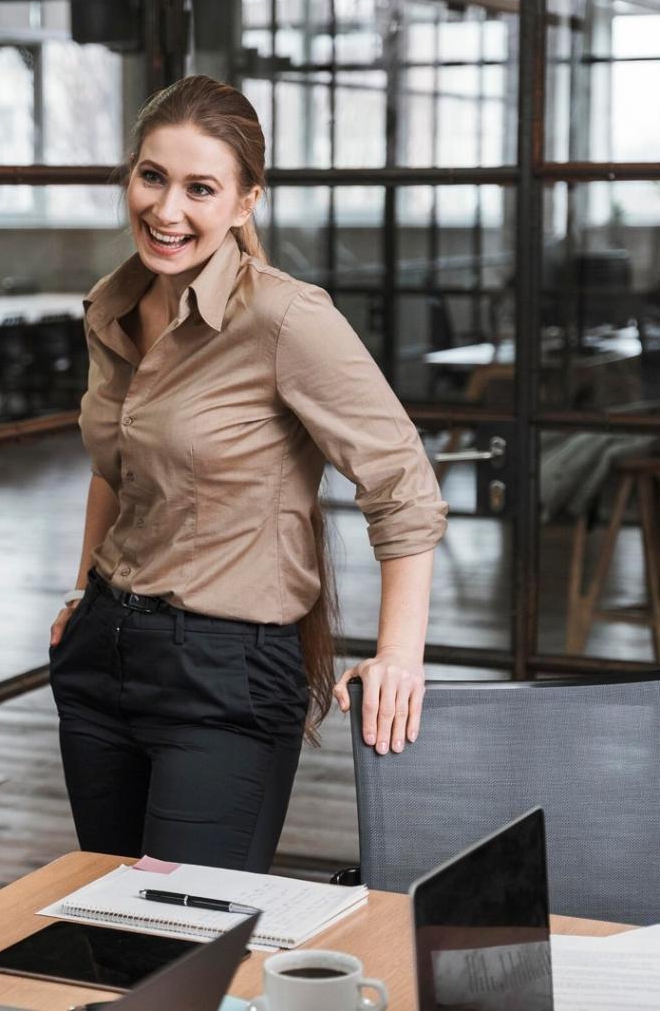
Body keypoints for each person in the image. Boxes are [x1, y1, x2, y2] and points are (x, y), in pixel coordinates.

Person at [48, 76, 447, 872]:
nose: (166, 211)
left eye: (200, 188)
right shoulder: (110, 306)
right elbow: (115, 467)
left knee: (183, 940)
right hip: (102, 658)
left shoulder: (285, 318)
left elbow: (401, 483)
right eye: (152, 177)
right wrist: (80, 588)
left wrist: (401, 653)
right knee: (114, 933)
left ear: (244, 202)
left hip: (224, 677)